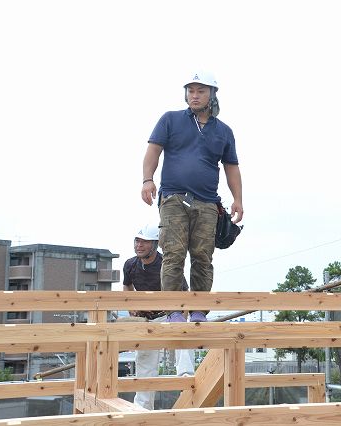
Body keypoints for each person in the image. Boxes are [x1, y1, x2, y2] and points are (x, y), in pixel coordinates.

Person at [141, 69, 243, 323]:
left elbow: (231, 168)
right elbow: (153, 152)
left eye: (201, 91)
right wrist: (147, 180)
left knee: (202, 256)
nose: (195, 96)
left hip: (207, 202)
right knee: (174, 254)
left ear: (212, 95)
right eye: (191, 91)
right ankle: (174, 309)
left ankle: (198, 309)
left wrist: (238, 199)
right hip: (174, 197)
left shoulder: (224, 131)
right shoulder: (170, 119)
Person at [123, 224, 195, 410]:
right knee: (145, 360)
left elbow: (184, 293)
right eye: (137, 241)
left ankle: (186, 379)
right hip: (147, 319)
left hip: (170, 314)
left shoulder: (167, 265)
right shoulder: (130, 265)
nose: (139, 245)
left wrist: (181, 321)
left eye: (144, 242)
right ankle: (143, 408)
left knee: (183, 339)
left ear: (155, 244)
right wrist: (132, 308)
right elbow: (127, 288)